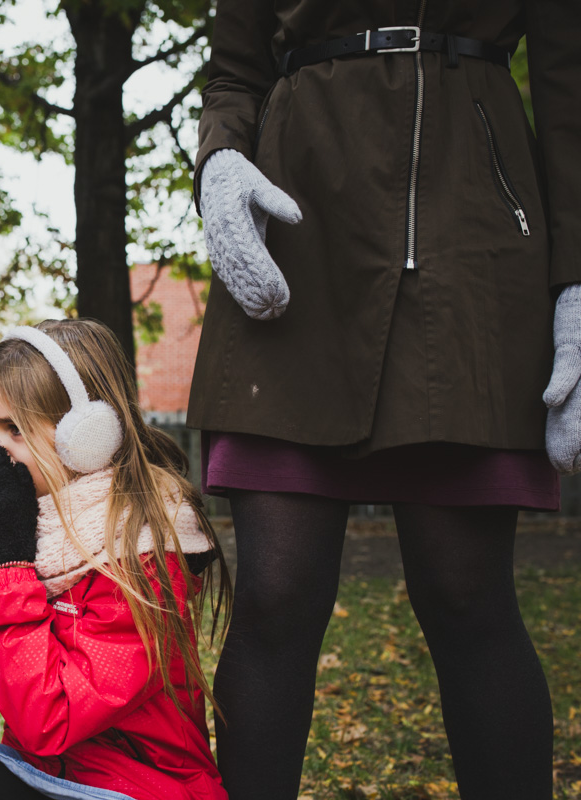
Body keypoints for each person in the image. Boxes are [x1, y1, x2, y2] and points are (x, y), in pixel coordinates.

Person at [191, 2, 578, 797]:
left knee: (467, 594)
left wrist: (578, 280)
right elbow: (234, 69)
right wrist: (220, 160)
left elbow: (572, 86)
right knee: (275, 596)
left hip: (473, 239)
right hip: (297, 238)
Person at [0, 319, 230, 800]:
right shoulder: (30, 526)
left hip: (138, 784)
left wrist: (7, 566)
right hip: (46, 772)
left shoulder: (144, 551)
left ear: (86, 436)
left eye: (15, 429)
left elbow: (51, 719)